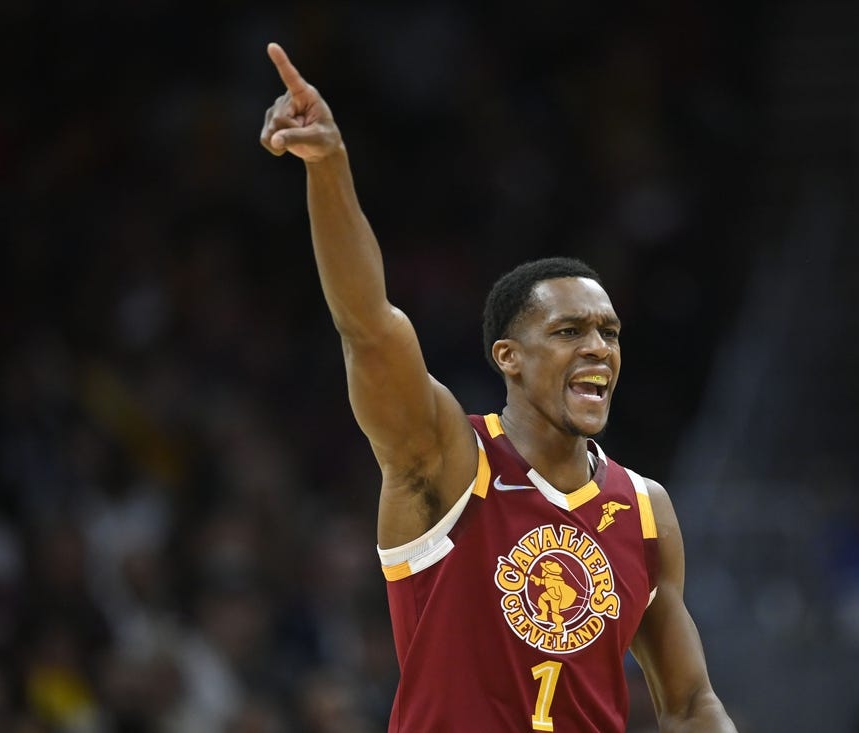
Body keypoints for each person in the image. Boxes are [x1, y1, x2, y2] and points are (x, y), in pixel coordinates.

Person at [259, 41, 738, 733]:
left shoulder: (644, 508)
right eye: (570, 331)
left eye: (609, 332)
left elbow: (691, 702)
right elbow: (367, 326)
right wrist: (328, 167)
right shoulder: (445, 459)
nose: (599, 347)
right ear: (508, 356)